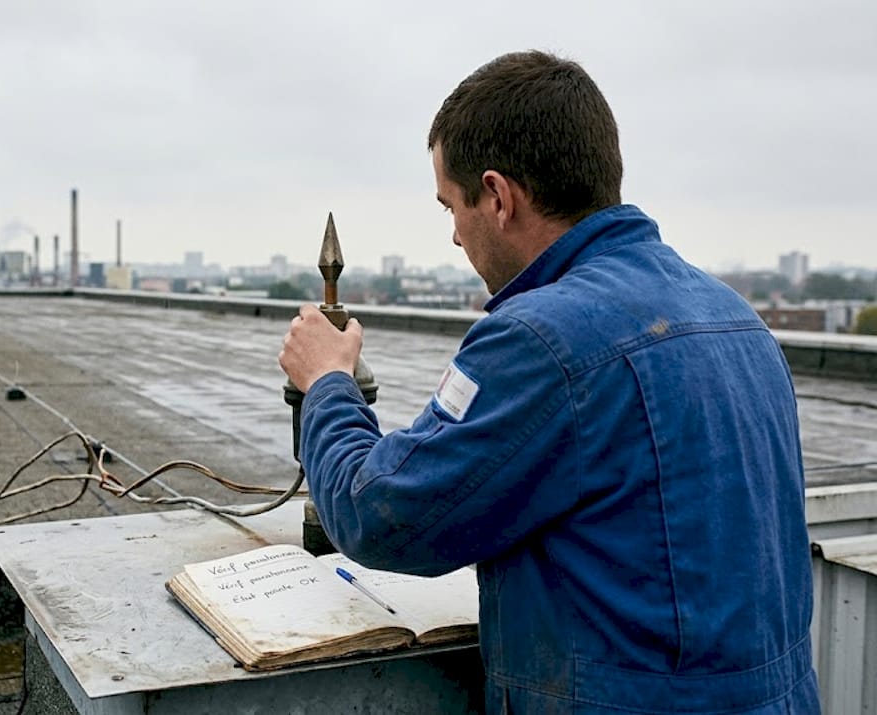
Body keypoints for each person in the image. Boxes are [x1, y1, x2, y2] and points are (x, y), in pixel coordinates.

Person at [279, 50, 819, 713]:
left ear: (499, 196)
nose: (453, 236)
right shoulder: (735, 318)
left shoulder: (542, 339)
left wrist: (328, 382)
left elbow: (379, 514)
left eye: (451, 206)